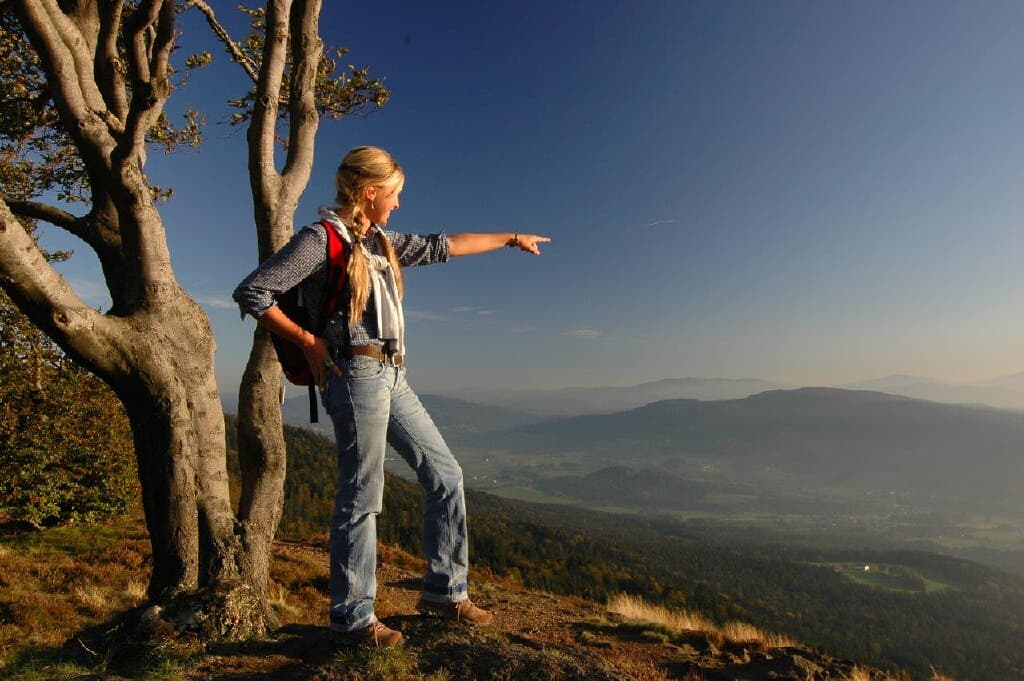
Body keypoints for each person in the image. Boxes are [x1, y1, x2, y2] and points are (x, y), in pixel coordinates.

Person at [233, 146, 550, 648]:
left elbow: (447, 244)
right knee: (361, 496)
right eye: (395, 194)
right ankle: (353, 620)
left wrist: (511, 238)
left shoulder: (380, 242)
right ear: (370, 192)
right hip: (355, 373)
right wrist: (310, 342)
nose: (400, 204)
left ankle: (446, 592)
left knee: (445, 475)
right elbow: (253, 292)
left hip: (392, 375)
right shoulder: (321, 240)